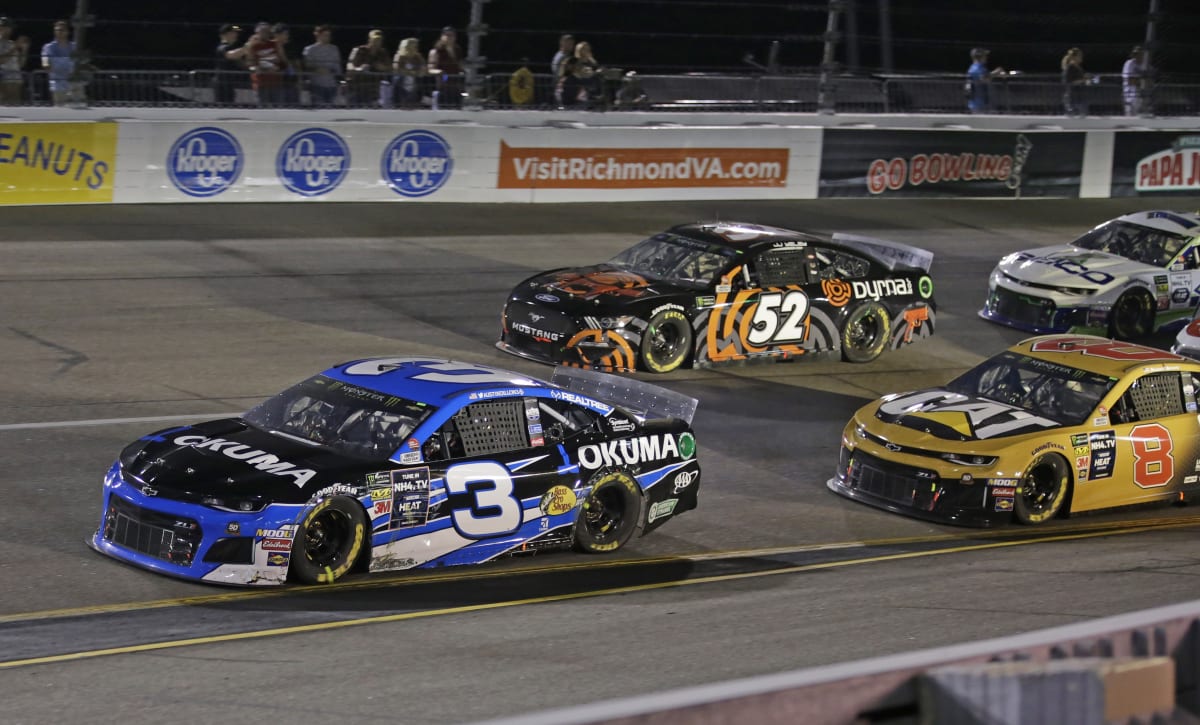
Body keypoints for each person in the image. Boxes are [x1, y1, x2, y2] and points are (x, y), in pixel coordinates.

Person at [245, 21, 286, 106]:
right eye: (263, 31)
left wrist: (279, 68)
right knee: (263, 109)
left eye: (267, 31)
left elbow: (283, 60)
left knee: (279, 108)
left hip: (276, 82)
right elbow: (249, 63)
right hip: (261, 83)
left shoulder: (275, 44)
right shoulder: (252, 46)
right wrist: (256, 69)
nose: (265, 34)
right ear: (257, 33)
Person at [346, 28, 390, 107]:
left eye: (379, 40)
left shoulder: (383, 53)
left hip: (374, 89)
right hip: (357, 87)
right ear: (369, 39)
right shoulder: (359, 50)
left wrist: (383, 67)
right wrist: (359, 69)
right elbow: (349, 65)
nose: (377, 42)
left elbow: (390, 68)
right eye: (375, 39)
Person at [41, 20, 80, 107]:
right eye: (57, 30)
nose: (59, 32)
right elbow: (45, 60)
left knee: (78, 108)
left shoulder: (74, 46)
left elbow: (79, 62)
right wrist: (46, 64)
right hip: (57, 83)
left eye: (62, 30)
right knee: (60, 109)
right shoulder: (48, 47)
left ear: (67, 32)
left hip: (74, 83)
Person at [302, 24, 341, 107]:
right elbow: (306, 66)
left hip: (332, 86)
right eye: (325, 35)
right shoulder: (309, 49)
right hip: (316, 86)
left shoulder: (334, 49)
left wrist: (330, 71)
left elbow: (338, 68)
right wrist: (317, 69)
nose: (327, 37)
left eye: (328, 35)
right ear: (318, 35)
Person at [427, 26, 462, 108]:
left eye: (452, 35)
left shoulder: (458, 50)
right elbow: (430, 69)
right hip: (442, 86)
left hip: (456, 87)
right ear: (442, 37)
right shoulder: (436, 51)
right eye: (447, 35)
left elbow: (460, 66)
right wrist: (441, 72)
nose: (449, 37)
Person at [212, 23, 245, 106]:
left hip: (229, 83)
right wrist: (247, 47)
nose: (236, 35)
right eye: (233, 32)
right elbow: (230, 55)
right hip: (222, 83)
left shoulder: (231, 47)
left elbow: (241, 63)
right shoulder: (222, 47)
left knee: (230, 105)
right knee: (223, 106)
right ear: (226, 34)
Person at [0, 17, 29, 105]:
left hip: (16, 79)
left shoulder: (12, 43)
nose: (10, 30)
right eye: (7, 27)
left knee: (16, 106)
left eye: (10, 27)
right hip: (3, 80)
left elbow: (20, 64)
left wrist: (25, 50)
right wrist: (16, 46)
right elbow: (1, 60)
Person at [965, 47, 1004, 113]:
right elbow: (984, 79)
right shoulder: (977, 68)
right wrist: (996, 73)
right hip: (979, 103)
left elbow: (985, 76)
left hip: (978, 103)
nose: (986, 57)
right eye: (985, 56)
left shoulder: (974, 67)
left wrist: (994, 73)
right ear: (980, 57)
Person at [392, 37, 427, 108]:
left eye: (415, 46)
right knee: (397, 78)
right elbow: (396, 69)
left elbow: (423, 70)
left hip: (414, 85)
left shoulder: (418, 57)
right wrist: (412, 72)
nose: (414, 49)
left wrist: (414, 72)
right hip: (401, 85)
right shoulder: (399, 56)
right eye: (411, 46)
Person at [272, 23, 299, 106]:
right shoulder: (269, 46)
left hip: (291, 83)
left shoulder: (290, 46)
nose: (287, 36)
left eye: (287, 34)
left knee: (294, 108)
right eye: (285, 34)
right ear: (277, 35)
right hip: (275, 84)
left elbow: (297, 64)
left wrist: (299, 81)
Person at [1122, 45, 1150, 117]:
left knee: (1142, 119)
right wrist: (1143, 81)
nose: (1139, 56)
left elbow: (1151, 80)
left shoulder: (1145, 65)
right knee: (1130, 118)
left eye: (1141, 54)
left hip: (1142, 96)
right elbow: (1129, 80)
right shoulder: (1129, 63)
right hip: (1130, 95)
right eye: (1137, 54)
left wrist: (1144, 81)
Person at [1061, 47, 1090, 116]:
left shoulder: (1078, 67)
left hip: (1079, 95)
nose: (1081, 57)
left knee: (1082, 116)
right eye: (1080, 55)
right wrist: (1083, 80)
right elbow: (1069, 82)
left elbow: (1079, 79)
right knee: (1073, 117)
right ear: (1074, 57)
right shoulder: (1070, 67)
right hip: (1073, 96)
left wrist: (1085, 78)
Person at [573, 40, 602, 106]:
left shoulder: (591, 61)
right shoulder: (576, 62)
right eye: (585, 49)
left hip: (592, 82)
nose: (587, 51)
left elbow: (596, 68)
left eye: (588, 49)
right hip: (581, 85)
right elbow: (581, 73)